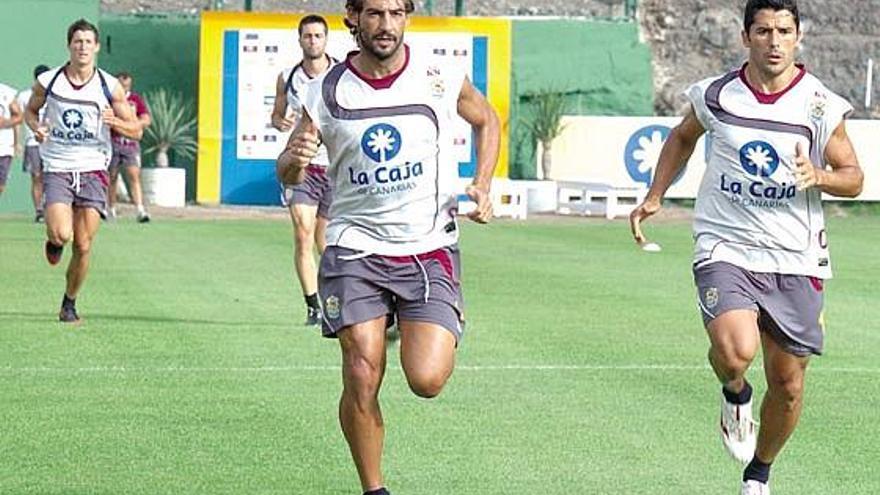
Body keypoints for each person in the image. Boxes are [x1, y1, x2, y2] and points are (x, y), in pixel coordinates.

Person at [629, 1, 864, 494]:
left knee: (789, 384)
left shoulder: (819, 105)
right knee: (736, 353)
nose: (773, 41)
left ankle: (759, 472)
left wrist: (818, 175)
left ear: (798, 37)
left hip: (794, 256)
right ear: (745, 37)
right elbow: (681, 138)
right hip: (725, 244)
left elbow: (854, 177)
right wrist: (654, 195)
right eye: (763, 31)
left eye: (783, 31)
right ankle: (734, 391)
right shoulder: (716, 95)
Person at [276, 0, 500, 493]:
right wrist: (293, 160)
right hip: (355, 248)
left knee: (427, 379)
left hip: (427, 246)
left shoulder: (438, 75)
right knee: (361, 372)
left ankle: (410, 318)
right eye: (375, 13)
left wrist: (483, 183)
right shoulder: (326, 91)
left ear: (407, 18)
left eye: (396, 13)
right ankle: (373, 488)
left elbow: (487, 119)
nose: (386, 25)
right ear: (353, 18)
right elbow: (288, 168)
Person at [25, 18, 142, 323]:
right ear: (69, 45)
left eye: (88, 42)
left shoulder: (109, 85)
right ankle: (53, 242)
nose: (83, 47)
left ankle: (69, 303)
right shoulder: (50, 81)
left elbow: (136, 131)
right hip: (58, 166)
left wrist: (114, 121)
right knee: (62, 234)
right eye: (77, 41)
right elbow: (30, 111)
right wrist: (37, 128)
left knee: (84, 244)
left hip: (93, 168)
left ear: (97, 47)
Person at [271, 14, 337, 326]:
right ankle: (313, 305)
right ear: (299, 40)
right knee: (303, 234)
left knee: (328, 241)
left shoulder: (342, 74)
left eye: (318, 36)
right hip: (303, 165)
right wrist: (280, 122)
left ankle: (339, 296)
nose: (313, 41)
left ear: (326, 40)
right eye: (307, 36)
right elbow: (277, 114)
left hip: (335, 167)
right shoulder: (288, 76)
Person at [108, 71, 151, 223]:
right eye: (122, 84)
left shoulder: (135, 99)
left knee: (134, 175)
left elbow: (146, 119)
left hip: (131, 145)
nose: (125, 87)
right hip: (113, 143)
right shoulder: (110, 99)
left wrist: (134, 126)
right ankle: (110, 209)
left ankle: (140, 210)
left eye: (127, 85)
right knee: (111, 177)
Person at [17, 64, 51, 221]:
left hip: (52, 143)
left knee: (51, 176)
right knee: (36, 176)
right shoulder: (24, 96)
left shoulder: (55, 94)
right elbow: (22, 117)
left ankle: (50, 207)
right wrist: (18, 141)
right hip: (32, 142)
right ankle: (39, 211)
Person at [0, 79, 23, 199]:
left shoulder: (6, 92)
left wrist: (5, 123)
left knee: (1, 184)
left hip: (4, 147)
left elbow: (19, 117)